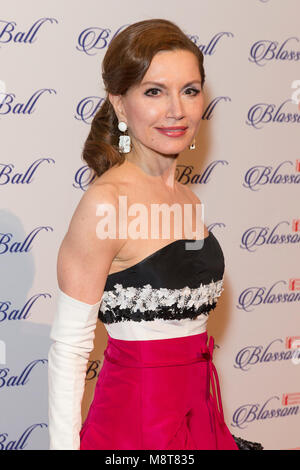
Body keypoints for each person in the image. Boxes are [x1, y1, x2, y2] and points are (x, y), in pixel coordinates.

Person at [48, 18, 262, 450]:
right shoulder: (106, 203)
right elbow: (69, 350)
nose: (176, 110)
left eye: (189, 89)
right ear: (120, 104)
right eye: (153, 91)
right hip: (135, 428)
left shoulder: (188, 198)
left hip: (201, 416)